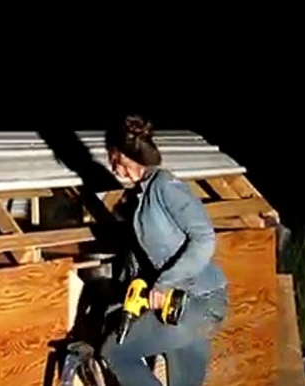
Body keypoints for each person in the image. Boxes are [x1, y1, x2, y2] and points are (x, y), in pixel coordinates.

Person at [100, 115, 228, 386]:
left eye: (111, 155)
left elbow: (204, 238)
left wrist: (165, 283)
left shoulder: (164, 186)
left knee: (116, 352)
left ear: (120, 155)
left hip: (197, 302)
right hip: (184, 305)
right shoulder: (143, 194)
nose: (110, 164)